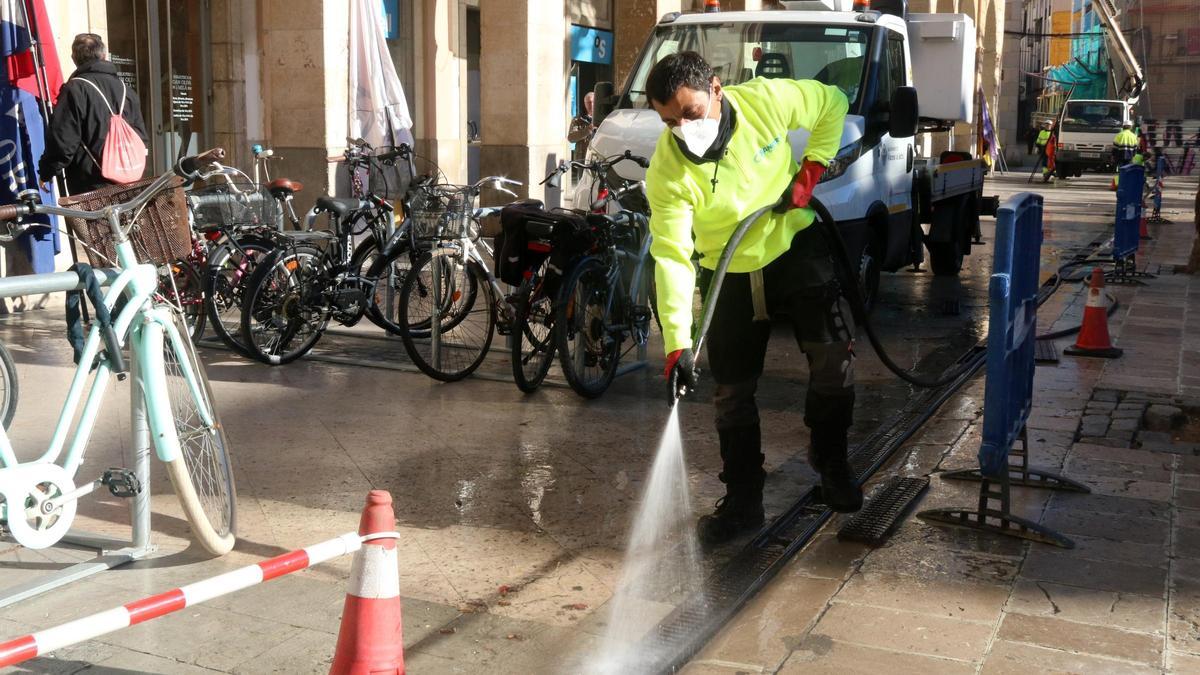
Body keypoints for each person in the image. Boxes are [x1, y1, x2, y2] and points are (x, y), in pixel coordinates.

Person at [643, 51, 857, 547]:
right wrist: (678, 341)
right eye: (669, 121)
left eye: (690, 113)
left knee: (833, 359)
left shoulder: (765, 101)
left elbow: (833, 102)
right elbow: (672, 255)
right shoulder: (668, 169)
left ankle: (831, 458)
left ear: (716, 90)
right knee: (731, 391)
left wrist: (811, 169)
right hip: (728, 268)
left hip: (791, 241)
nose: (682, 129)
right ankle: (743, 500)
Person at [39, 33, 149, 195]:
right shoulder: (126, 90)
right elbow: (141, 138)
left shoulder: (75, 89)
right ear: (104, 56)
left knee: (96, 221)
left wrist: (47, 172)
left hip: (91, 185)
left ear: (74, 58)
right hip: (129, 182)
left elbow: (63, 142)